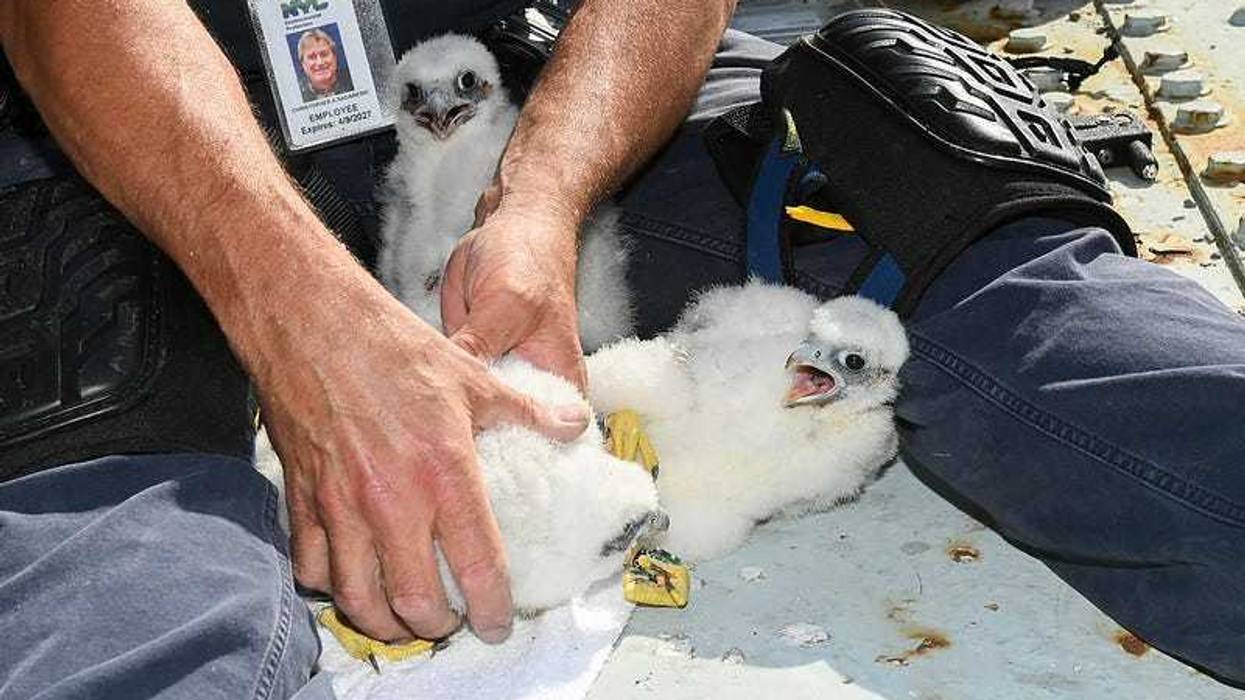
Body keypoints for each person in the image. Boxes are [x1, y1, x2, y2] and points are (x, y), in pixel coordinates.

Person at [0, 2, 1243, 699]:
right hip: (133, 137)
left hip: (535, 65)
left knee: (951, 238)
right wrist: (307, 326)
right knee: (113, 568)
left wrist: (540, 207)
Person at [296, 28, 353, 102]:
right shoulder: (296, 95)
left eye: (324, 54)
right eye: (312, 57)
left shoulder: (353, 80)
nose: (320, 62)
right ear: (303, 64)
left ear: (335, 57)